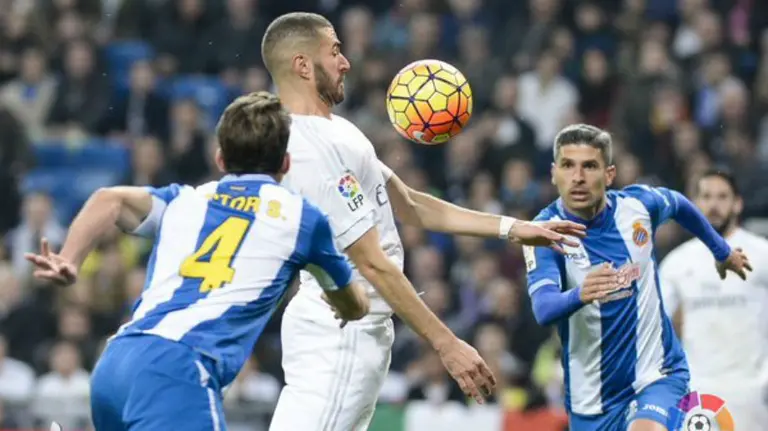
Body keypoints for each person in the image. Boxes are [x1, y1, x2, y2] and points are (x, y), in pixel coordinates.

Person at [259, 12, 587, 431]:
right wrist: (445, 343)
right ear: (303, 64)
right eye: (335, 51)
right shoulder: (307, 149)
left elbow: (411, 203)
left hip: (356, 332)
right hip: (338, 334)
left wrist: (511, 228)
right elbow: (374, 263)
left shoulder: (336, 131)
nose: (346, 62)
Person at [24, 91, 371, 431]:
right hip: (178, 369)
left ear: (220, 159)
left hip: (116, 364)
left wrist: (70, 258)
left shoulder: (185, 199)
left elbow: (108, 200)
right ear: (286, 163)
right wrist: (351, 301)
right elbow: (353, 305)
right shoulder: (303, 219)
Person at [523, 124, 752, 431]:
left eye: (589, 166)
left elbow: (680, 204)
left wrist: (721, 251)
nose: (578, 177)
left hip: (658, 375)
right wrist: (581, 294)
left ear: (609, 174)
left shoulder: (638, 207)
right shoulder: (543, 233)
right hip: (591, 399)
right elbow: (543, 308)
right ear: (553, 173)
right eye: (568, 166)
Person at [660, 169, 768, 431]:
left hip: (754, 392)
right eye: (706, 197)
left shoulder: (763, 254)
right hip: (698, 393)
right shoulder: (677, 262)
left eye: (722, 197)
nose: (714, 205)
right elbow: (654, 325)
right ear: (695, 204)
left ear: (737, 203)